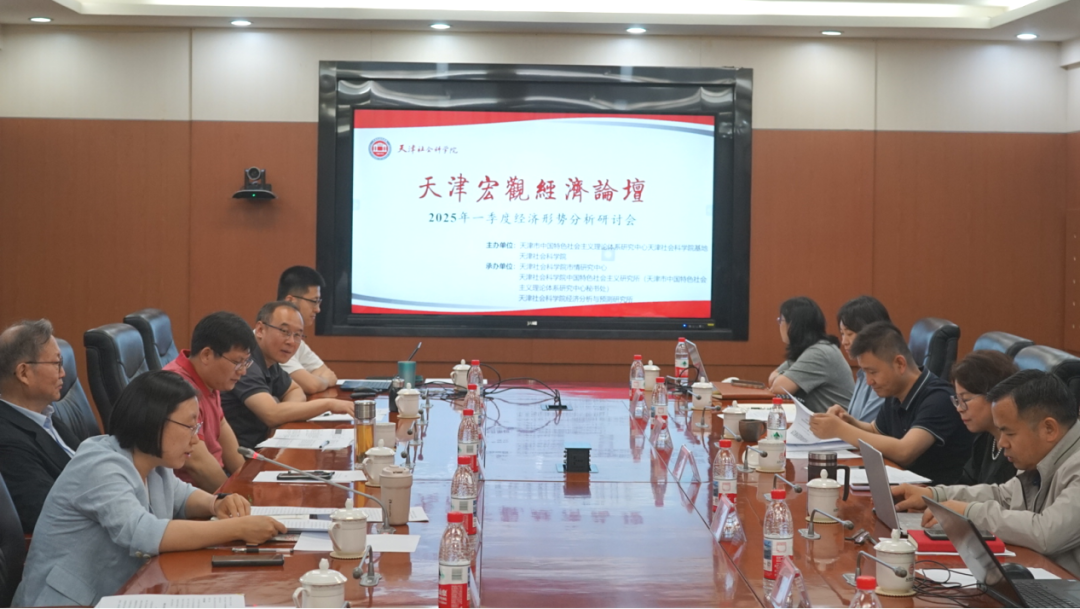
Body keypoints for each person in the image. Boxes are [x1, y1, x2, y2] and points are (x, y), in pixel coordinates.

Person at [12, 371, 286, 607]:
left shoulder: (153, 462)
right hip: (67, 602)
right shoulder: (99, 465)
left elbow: (181, 496)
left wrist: (216, 504)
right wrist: (236, 528)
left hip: (128, 591)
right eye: (190, 426)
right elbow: (144, 532)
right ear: (153, 421)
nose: (196, 439)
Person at [891, 370, 1080, 577]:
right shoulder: (1039, 456)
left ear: (1049, 429)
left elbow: (1045, 534)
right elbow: (1002, 496)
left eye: (1009, 433)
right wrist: (935, 495)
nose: (1001, 443)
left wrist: (968, 513)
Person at [809, 321, 972, 484]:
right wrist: (849, 421)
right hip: (902, 486)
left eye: (873, 372)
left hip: (934, 494)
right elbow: (877, 431)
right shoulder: (895, 392)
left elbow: (905, 451)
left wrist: (839, 429)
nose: (869, 381)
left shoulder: (939, 398)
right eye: (865, 372)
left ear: (900, 364)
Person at [221, 301, 355, 449]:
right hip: (239, 454)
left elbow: (295, 390)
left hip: (261, 446)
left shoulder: (271, 362)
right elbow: (271, 415)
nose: (291, 341)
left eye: (297, 335)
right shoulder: (246, 363)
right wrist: (329, 404)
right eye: (284, 331)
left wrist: (283, 411)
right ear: (260, 330)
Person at [0, 319, 78, 534]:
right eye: (56, 364)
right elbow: (48, 515)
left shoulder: (44, 415)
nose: (63, 373)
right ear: (24, 373)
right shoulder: (7, 441)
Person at [162, 311, 255, 492]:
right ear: (207, 355)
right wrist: (236, 498)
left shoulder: (210, 379)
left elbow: (222, 426)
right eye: (238, 362)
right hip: (189, 496)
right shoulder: (178, 389)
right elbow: (197, 464)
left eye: (246, 363)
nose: (243, 371)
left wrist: (246, 482)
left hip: (216, 485)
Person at [767, 296, 854, 414]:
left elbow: (779, 387)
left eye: (781, 320)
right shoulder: (806, 349)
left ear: (793, 324)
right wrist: (783, 377)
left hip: (839, 424)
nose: (779, 325)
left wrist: (783, 377)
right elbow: (772, 379)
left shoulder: (819, 352)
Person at [948, 350, 1019, 486]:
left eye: (965, 399)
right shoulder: (984, 438)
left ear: (996, 395)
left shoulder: (1019, 450)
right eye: (957, 400)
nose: (959, 408)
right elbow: (965, 485)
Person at [278, 266, 337, 396]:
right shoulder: (275, 341)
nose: (318, 309)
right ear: (290, 301)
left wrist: (318, 381)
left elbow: (328, 373)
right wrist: (321, 381)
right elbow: (311, 385)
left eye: (319, 302)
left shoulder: (296, 340)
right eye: (314, 301)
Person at [836, 295, 892, 422]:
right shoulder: (863, 371)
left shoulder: (885, 374)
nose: (844, 341)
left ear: (871, 331)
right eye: (842, 333)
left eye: (849, 334)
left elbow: (866, 425)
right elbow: (856, 420)